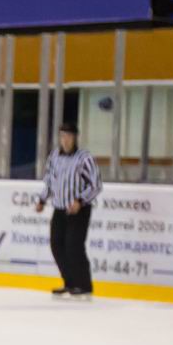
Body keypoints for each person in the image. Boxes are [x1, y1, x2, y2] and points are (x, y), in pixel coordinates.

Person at [35, 122, 102, 300]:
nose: (65, 140)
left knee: (74, 246)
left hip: (79, 210)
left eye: (69, 136)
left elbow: (96, 185)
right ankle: (70, 283)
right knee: (57, 245)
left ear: (75, 138)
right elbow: (49, 181)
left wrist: (80, 201)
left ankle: (84, 286)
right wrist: (42, 199)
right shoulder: (54, 156)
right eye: (62, 136)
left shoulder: (84, 158)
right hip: (59, 208)